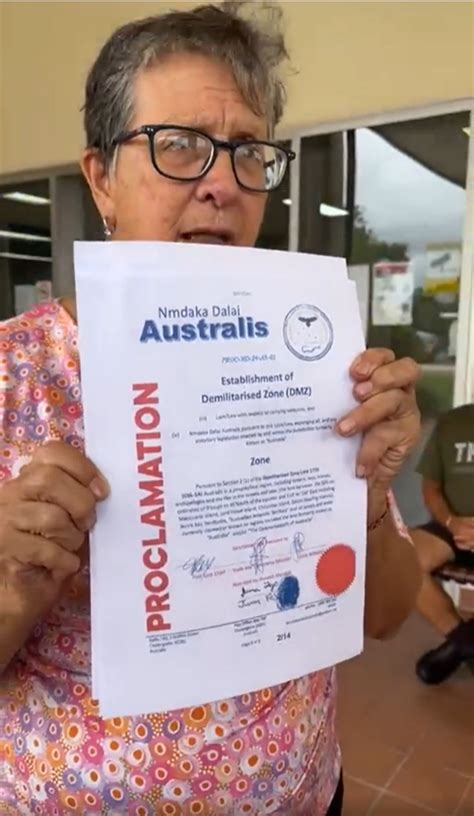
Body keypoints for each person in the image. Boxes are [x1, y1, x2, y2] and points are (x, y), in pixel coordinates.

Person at [0, 4, 421, 814]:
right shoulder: (15, 373)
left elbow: (387, 617)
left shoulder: (316, 359)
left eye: (248, 152)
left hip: (303, 792)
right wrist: (17, 577)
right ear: (100, 180)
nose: (223, 182)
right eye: (180, 145)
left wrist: (369, 502)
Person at [412, 403, 474, 685]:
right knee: (404, 561)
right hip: (453, 527)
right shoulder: (452, 423)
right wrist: (451, 522)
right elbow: (431, 488)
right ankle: (465, 643)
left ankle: (459, 649)